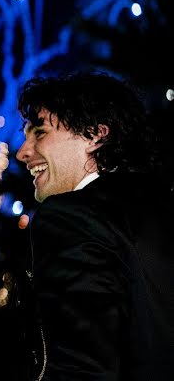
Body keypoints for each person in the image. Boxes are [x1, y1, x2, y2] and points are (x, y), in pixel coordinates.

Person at [14, 71, 174, 380]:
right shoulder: (160, 208)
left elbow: (81, 367)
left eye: (39, 132)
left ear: (94, 134)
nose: (23, 152)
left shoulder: (71, 217)